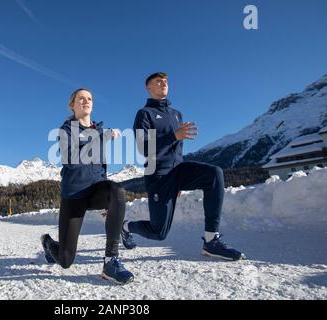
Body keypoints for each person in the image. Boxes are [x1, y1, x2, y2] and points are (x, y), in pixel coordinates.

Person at [122, 72, 245, 261]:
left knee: (214, 174)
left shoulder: (176, 114)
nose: (163, 83)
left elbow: (177, 150)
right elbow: (142, 147)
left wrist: (180, 181)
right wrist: (173, 136)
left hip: (178, 170)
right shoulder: (144, 114)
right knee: (158, 232)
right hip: (158, 175)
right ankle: (125, 227)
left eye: (165, 81)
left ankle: (211, 240)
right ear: (149, 88)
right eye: (158, 81)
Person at [41, 88, 134, 284]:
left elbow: (100, 167)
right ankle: (49, 243)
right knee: (66, 260)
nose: (86, 101)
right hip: (74, 195)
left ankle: (110, 262)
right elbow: (71, 161)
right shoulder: (66, 130)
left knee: (117, 191)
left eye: (89, 98)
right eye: (80, 98)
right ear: (72, 105)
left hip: (96, 189)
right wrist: (101, 138)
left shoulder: (99, 131)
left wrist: (109, 203)